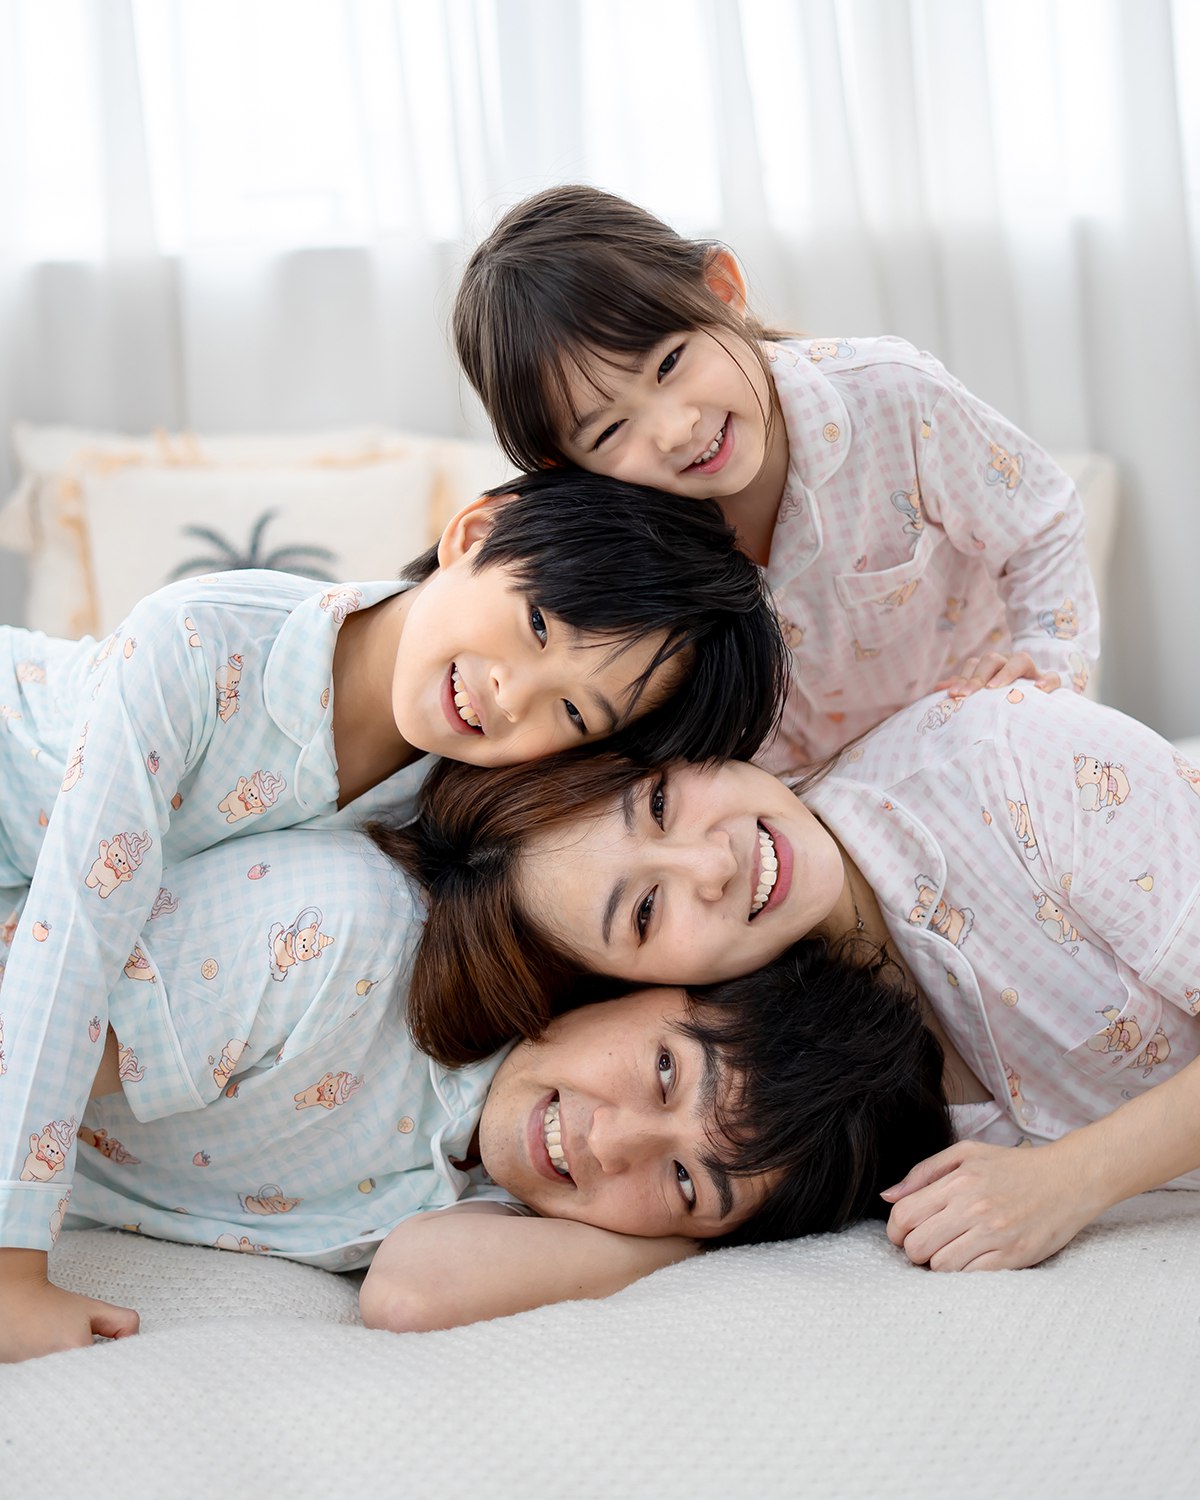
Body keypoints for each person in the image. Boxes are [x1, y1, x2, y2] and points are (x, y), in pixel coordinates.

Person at [0, 469, 789, 1273]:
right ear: (475, 534)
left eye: (575, 713)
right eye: (539, 626)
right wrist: (14, 1260)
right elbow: (71, 937)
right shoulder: (200, 640)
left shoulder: (437, 801)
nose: (512, 695)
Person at [0, 826, 949, 1361]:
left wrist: (676, 1231)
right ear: (645, 983)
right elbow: (25, 1023)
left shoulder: (511, 1184)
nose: (615, 1144)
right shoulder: (345, 942)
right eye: (665, 1070)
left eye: (687, 1181)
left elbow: (411, 1297)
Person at [381, 682, 1200, 1269]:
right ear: (625, 986)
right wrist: (678, 1206)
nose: (712, 862)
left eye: (661, 806)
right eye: (642, 914)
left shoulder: (1002, 764)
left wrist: (1070, 1182)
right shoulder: (765, 1109)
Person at [452, 183, 1101, 772]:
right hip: (807, 807)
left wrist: (1046, 673)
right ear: (564, 467)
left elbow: (1040, 526)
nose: (674, 429)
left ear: (721, 291)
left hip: (979, 746)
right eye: (609, 430)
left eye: (670, 362)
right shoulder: (630, 552)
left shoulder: (894, 399)